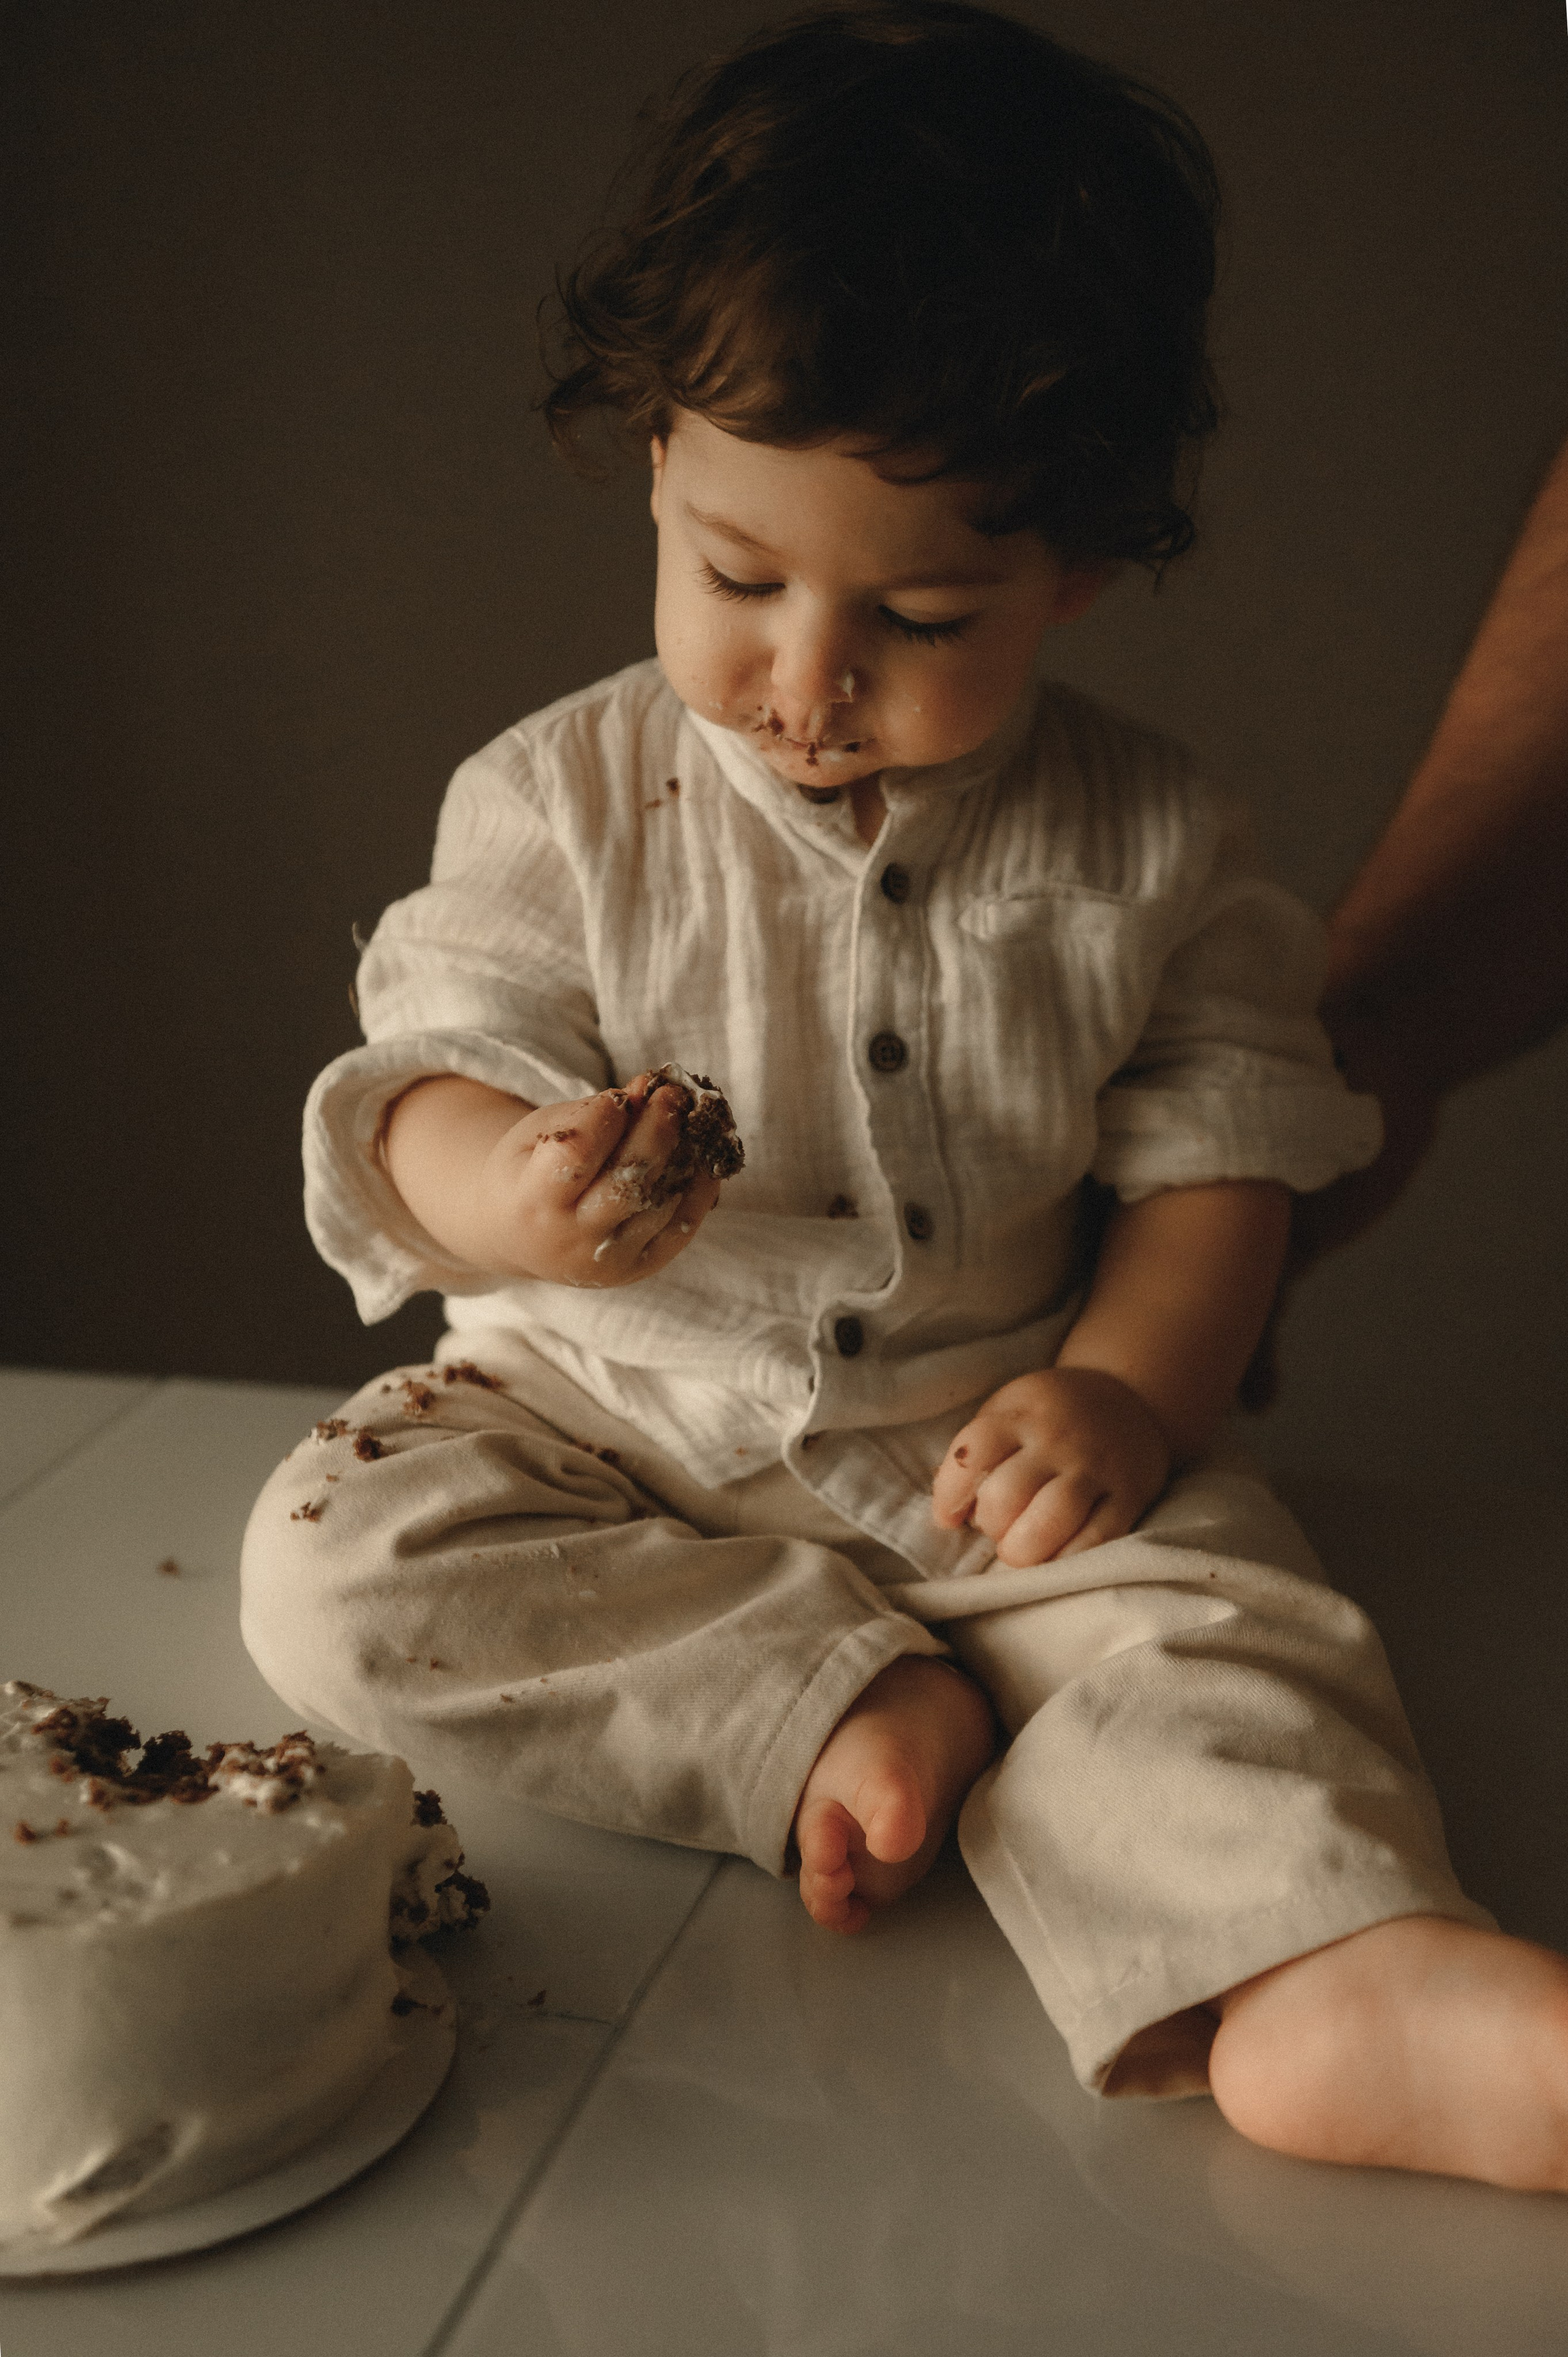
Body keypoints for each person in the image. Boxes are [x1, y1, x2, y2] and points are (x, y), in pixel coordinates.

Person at [241, 2, 1568, 2190]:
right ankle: (822, 1706)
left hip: (992, 1452)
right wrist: (520, 1189)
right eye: (740, 577)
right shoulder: (565, 802)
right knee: (333, 1569)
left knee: (1224, 1629)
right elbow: (413, 1087)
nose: (807, 675)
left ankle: (1338, 1976)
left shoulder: (1155, 840)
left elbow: (1221, 1152)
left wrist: (1138, 1393)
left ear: (1079, 567)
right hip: (594, 1435)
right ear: (660, 467)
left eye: (922, 611)